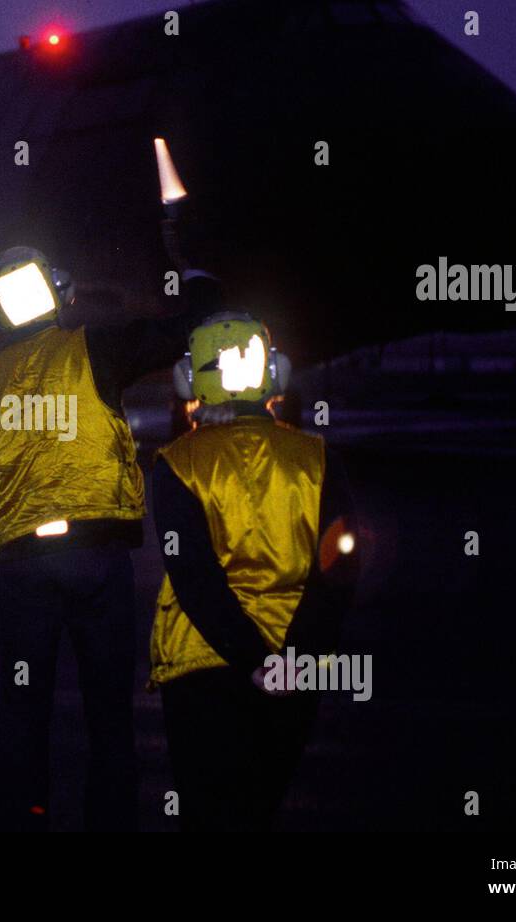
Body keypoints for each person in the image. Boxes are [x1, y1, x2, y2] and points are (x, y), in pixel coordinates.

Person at [0, 245, 222, 831]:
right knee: (109, 719)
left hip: (23, 569)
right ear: (59, 293)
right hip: (97, 558)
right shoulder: (95, 349)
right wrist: (196, 277)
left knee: (22, 717)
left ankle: (20, 821)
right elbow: (185, 331)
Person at [149, 310, 357, 832]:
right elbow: (339, 567)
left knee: (204, 812)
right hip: (294, 668)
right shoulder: (317, 457)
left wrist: (250, 661)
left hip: (199, 664)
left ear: (190, 379)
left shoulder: (177, 463)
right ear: (277, 373)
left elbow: (194, 576)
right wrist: (293, 659)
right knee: (259, 809)